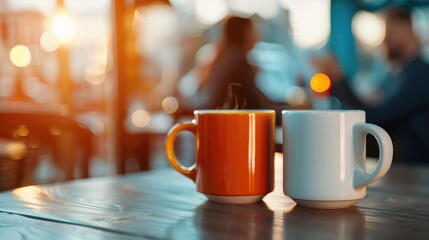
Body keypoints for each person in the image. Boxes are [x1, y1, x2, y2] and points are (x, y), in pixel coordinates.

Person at [312, 8, 429, 164]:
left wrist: (340, 78)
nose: (385, 41)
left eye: (390, 33)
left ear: (410, 33)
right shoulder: (397, 74)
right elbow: (371, 104)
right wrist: (337, 82)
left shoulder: (422, 76)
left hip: (416, 165)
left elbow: (375, 116)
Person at [177, 16, 285, 123]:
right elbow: (256, 103)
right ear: (245, 33)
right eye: (253, 31)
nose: (258, 37)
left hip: (214, 119)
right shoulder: (238, 60)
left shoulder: (225, 56)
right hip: (223, 123)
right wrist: (285, 115)